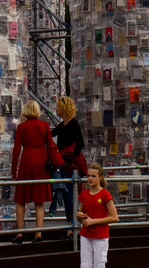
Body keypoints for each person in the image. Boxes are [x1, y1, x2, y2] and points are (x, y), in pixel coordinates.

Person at [10, 100, 54, 243]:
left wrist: (13, 170)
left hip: (27, 161)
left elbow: (16, 150)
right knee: (39, 201)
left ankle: (20, 234)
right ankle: (38, 234)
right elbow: (51, 146)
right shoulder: (44, 125)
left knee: (21, 200)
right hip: (41, 162)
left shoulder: (21, 127)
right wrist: (53, 164)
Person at [76, 163, 118, 268]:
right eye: (88, 176)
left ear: (100, 177)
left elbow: (114, 217)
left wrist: (93, 221)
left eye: (93, 176)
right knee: (85, 265)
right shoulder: (84, 195)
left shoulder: (105, 195)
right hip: (86, 234)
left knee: (99, 264)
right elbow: (81, 214)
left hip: (100, 235)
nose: (90, 179)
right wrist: (79, 215)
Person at [52, 95, 86, 223]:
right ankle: (70, 224)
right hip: (65, 162)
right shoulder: (64, 124)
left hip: (71, 164)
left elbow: (80, 144)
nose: (55, 108)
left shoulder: (73, 123)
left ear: (63, 108)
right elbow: (52, 133)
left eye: (57, 106)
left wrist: (70, 157)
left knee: (70, 193)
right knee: (67, 193)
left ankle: (72, 224)